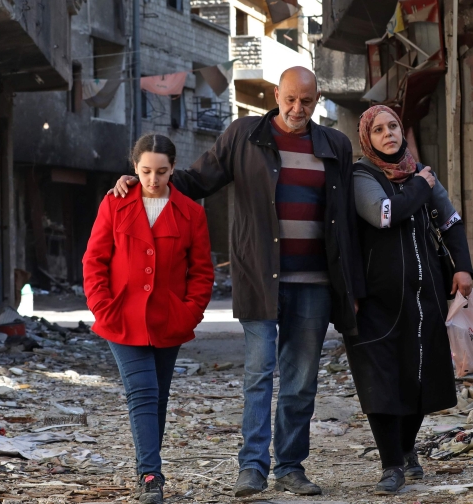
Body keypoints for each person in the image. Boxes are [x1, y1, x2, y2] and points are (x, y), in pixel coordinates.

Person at [112, 67, 364, 497]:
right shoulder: (244, 135)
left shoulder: (335, 145)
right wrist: (146, 182)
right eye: (289, 99)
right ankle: (252, 468)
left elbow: (348, 220)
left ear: (317, 99)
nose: (296, 109)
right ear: (276, 95)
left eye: (306, 101)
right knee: (258, 375)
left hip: (316, 282)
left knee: (301, 380)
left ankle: (290, 466)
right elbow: (194, 181)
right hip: (259, 278)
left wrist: (354, 286)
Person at [345, 104, 473, 495]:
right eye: (380, 129)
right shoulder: (362, 176)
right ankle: (391, 465)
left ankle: (405, 447)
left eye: (394, 126)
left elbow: (450, 221)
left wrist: (462, 267)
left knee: (421, 377)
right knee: (380, 383)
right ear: (368, 137)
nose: (389, 134)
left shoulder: (420, 172)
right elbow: (385, 214)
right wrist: (421, 185)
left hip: (426, 296)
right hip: (376, 302)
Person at [83, 134, 214, 504]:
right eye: (144, 171)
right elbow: (94, 261)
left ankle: (148, 468)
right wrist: (103, 307)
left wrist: (190, 312)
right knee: (141, 393)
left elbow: (202, 272)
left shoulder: (192, 212)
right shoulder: (115, 203)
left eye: (161, 171)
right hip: (121, 320)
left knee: (158, 397)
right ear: (134, 168)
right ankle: (151, 476)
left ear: (173, 169)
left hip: (169, 321)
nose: (153, 180)